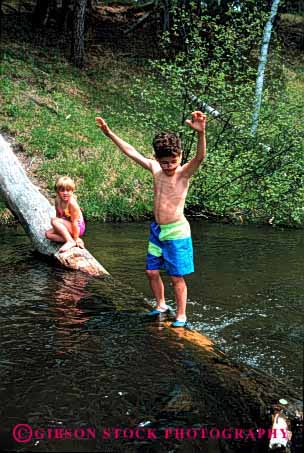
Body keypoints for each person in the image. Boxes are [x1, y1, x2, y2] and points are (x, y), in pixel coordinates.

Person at [96, 111, 206, 327]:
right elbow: (131, 151)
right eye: (164, 162)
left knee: (176, 277)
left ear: (180, 156)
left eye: (173, 161)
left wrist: (201, 133)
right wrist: (109, 133)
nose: (169, 166)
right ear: (157, 159)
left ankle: (181, 315)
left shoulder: (183, 173)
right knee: (151, 271)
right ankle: (161, 305)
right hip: (157, 230)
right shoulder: (155, 168)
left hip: (176, 232)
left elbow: (200, 157)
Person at [45, 176, 85, 253]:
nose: (65, 193)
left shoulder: (72, 204)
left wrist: (76, 237)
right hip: (66, 224)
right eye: (62, 190)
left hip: (78, 227)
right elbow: (58, 216)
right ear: (57, 191)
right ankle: (70, 239)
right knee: (48, 234)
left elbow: (75, 223)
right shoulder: (57, 200)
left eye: (68, 190)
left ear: (72, 191)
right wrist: (57, 229)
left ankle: (71, 241)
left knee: (54, 221)